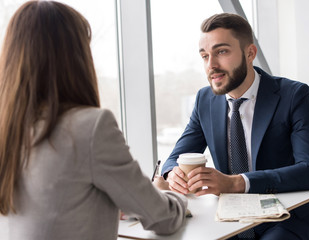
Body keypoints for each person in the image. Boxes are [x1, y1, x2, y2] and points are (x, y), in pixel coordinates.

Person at [0, 1, 187, 240]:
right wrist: (172, 195)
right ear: (75, 58)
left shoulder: (8, 128)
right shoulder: (89, 127)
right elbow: (164, 219)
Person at [161, 13, 309, 239]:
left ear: (250, 53)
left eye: (221, 52)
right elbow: (175, 157)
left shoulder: (293, 95)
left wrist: (237, 183)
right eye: (204, 56)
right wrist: (171, 173)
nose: (211, 65)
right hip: (229, 221)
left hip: (288, 221)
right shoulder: (205, 100)